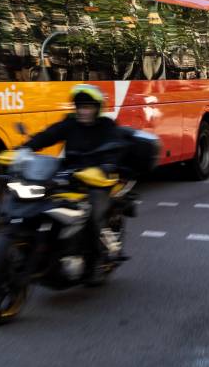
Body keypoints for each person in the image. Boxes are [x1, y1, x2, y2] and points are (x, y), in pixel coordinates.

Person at [21, 83, 130, 284]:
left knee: (93, 216)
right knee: (43, 202)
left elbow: (117, 147)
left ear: (97, 108)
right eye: (80, 107)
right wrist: (24, 148)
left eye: (87, 107)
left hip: (97, 180)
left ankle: (98, 261)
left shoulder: (107, 126)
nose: (83, 111)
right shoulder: (70, 124)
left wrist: (107, 165)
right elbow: (48, 135)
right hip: (70, 175)